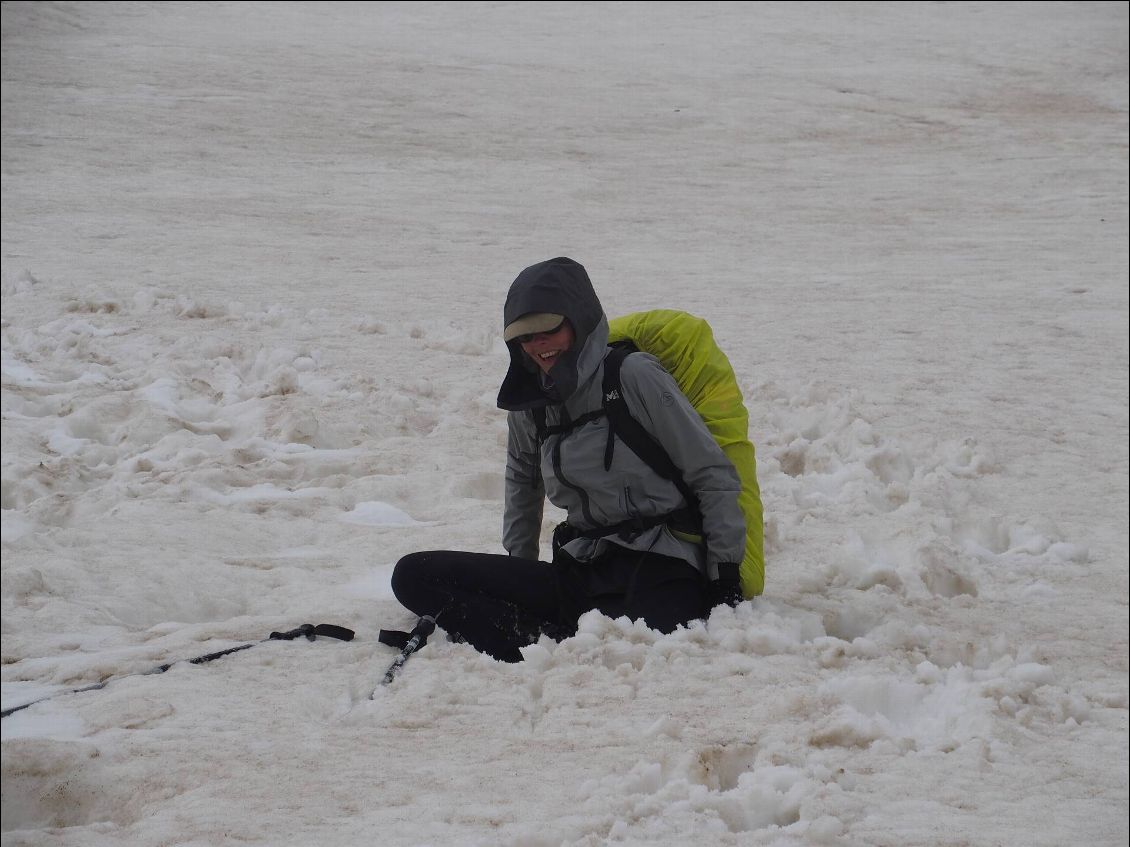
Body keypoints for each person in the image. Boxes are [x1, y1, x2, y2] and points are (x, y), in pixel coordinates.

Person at [391, 257, 745, 662]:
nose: (539, 346)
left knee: (633, 647)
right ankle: (543, 641)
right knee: (413, 576)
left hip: (661, 566)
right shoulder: (530, 404)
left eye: (549, 330)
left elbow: (712, 475)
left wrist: (725, 582)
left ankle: (542, 644)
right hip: (580, 567)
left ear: (579, 321)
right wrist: (518, 571)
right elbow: (522, 482)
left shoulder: (632, 377)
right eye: (526, 337)